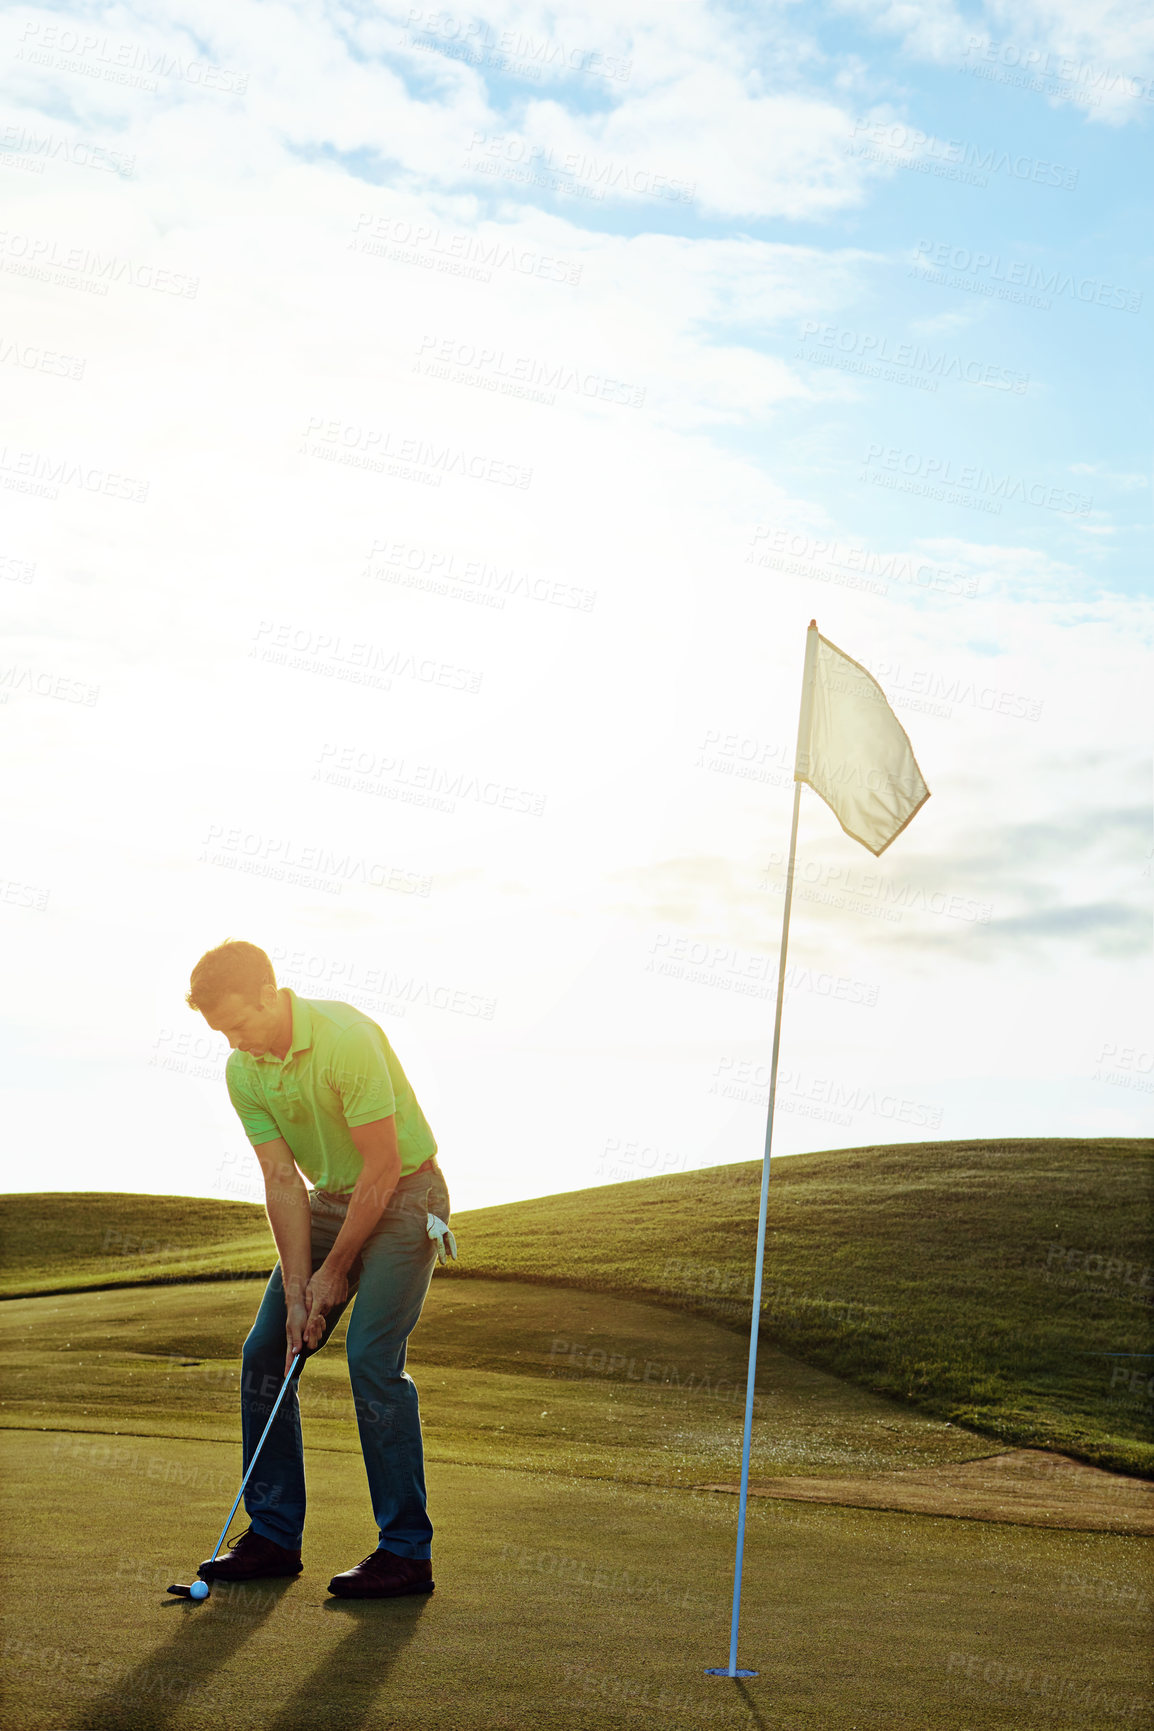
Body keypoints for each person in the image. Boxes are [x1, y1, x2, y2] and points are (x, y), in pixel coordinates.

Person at [184, 939, 454, 1598]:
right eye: (221, 1031)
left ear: (270, 994)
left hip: (406, 1197)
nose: (234, 1041)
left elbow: (384, 1168)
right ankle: (273, 1533)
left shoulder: (345, 1038)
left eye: (239, 1023)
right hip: (327, 1199)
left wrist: (335, 1274)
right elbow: (280, 1178)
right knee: (265, 1350)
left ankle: (405, 1551)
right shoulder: (243, 1069)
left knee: (369, 1355)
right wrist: (301, 1285)